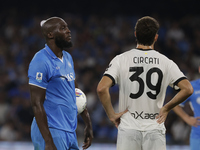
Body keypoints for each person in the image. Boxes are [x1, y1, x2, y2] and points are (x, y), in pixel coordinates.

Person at [96, 16, 193, 150]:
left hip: (129, 128)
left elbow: (101, 88)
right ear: (156, 37)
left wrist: (111, 115)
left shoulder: (121, 59)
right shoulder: (166, 62)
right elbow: (188, 89)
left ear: (135, 34)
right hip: (154, 127)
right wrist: (166, 108)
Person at [28, 17, 93, 150]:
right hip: (52, 130)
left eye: (67, 27)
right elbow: (36, 103)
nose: (69, 31)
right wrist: (48, 141)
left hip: (69, 130)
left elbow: (75, 92)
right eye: (63, 28)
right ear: (50, 34)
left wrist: (88, 124)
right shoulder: (41, 60)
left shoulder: (68, 58)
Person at [173, 66, 200, 150]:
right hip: (198, 135)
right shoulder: (192, 86)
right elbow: (174, 104)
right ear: (199, 69)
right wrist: (187, 118)